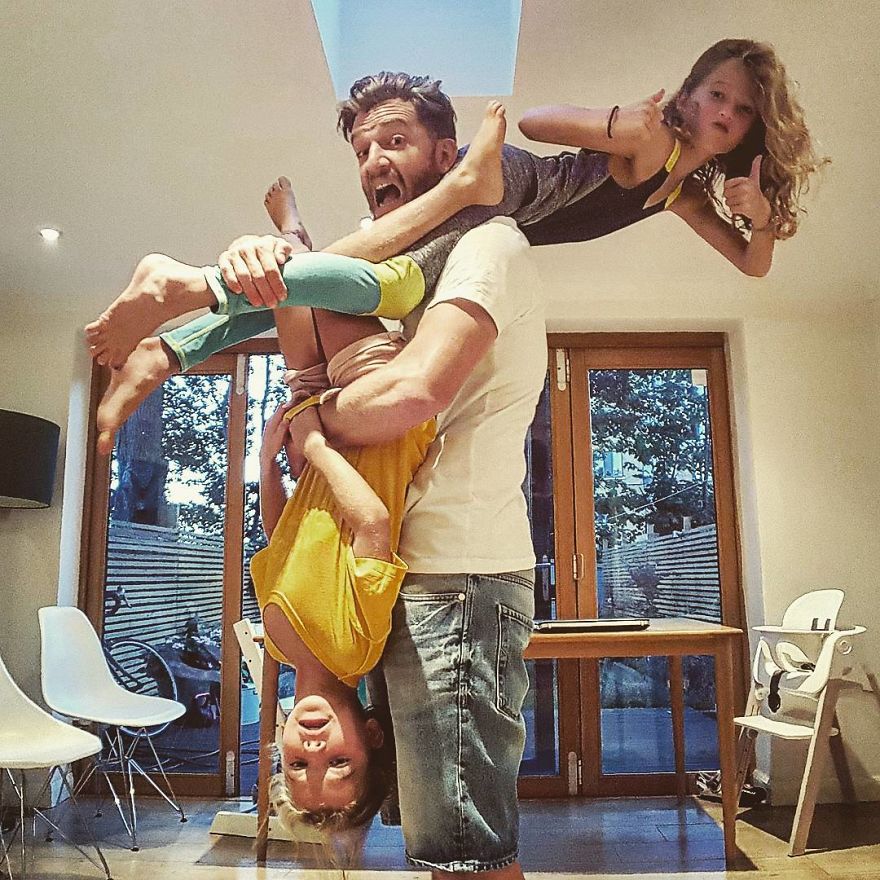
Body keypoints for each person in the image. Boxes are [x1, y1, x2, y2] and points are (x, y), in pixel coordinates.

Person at [86, 39, 825, 453]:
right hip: (515, 182)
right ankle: (182, 299)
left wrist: (760, 217)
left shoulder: (684, 192)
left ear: (753, 128)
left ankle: (173, 344)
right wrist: (613, 122)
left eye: (741, 108)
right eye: (714, 93)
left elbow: (753, 264)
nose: (723, 112)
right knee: (383, 277)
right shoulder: (654, 137)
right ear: (688, 91)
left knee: (360, 277)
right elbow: (535, 120)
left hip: (507, 209)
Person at [252, 311, 435, 829]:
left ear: (279, 747)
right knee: (319, 290)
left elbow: (281, 538)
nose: (314, 749)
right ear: (372, 736)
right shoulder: (357, 648)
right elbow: (372, 522)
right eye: (338, 762)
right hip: (375, 415)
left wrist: (267, 466)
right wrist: (312, 446)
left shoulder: (280, 645)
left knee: (288, 289)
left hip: (327, 423)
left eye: (297, 766)